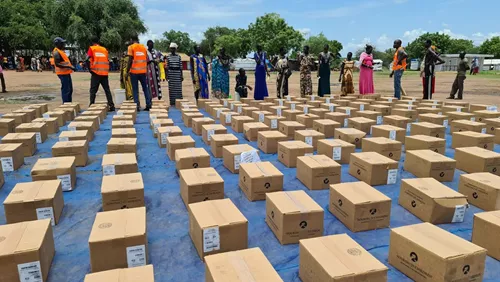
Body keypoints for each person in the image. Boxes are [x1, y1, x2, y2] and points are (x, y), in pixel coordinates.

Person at [87, 36, 115, 111]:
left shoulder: (92, 48)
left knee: (93, 90)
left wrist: (90, 70)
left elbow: (87, 59)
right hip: (104, 73)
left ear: (92, 42)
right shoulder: (104, 49)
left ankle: (91, 104)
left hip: (96, 72)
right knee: (107, 90)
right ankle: (111, 105)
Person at [126, 34, 152, 111]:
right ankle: (148, 104)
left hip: (134, 71)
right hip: (143, 71)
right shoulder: (143, 47)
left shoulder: (131, 47)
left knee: (135, 89)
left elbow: (130, 60)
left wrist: (127, 70)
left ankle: (137, 105)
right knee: (145, 88)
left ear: (131, 39)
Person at [53, 37, 75, 103]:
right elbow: (57, 64)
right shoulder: (56, 52)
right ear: (58, 44)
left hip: (66, 73)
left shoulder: (61, 51)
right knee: (66, 90)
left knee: (70, 89)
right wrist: (69, 67)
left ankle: (69, 103)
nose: (63, 45)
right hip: (62, 74)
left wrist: (70, 67)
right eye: (62, 43)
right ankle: (66, 104)